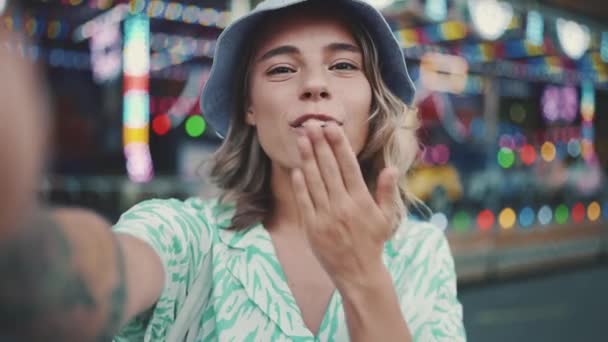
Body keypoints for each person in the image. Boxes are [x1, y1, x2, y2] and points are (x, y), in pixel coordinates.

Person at [0, 0, 465, 341]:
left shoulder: (421, 254)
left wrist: (364, 275)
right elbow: (105, 272)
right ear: (249, 106)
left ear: (372, 102)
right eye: (282, 69)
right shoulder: (189, 236)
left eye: (343, 65)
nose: (315, 84)